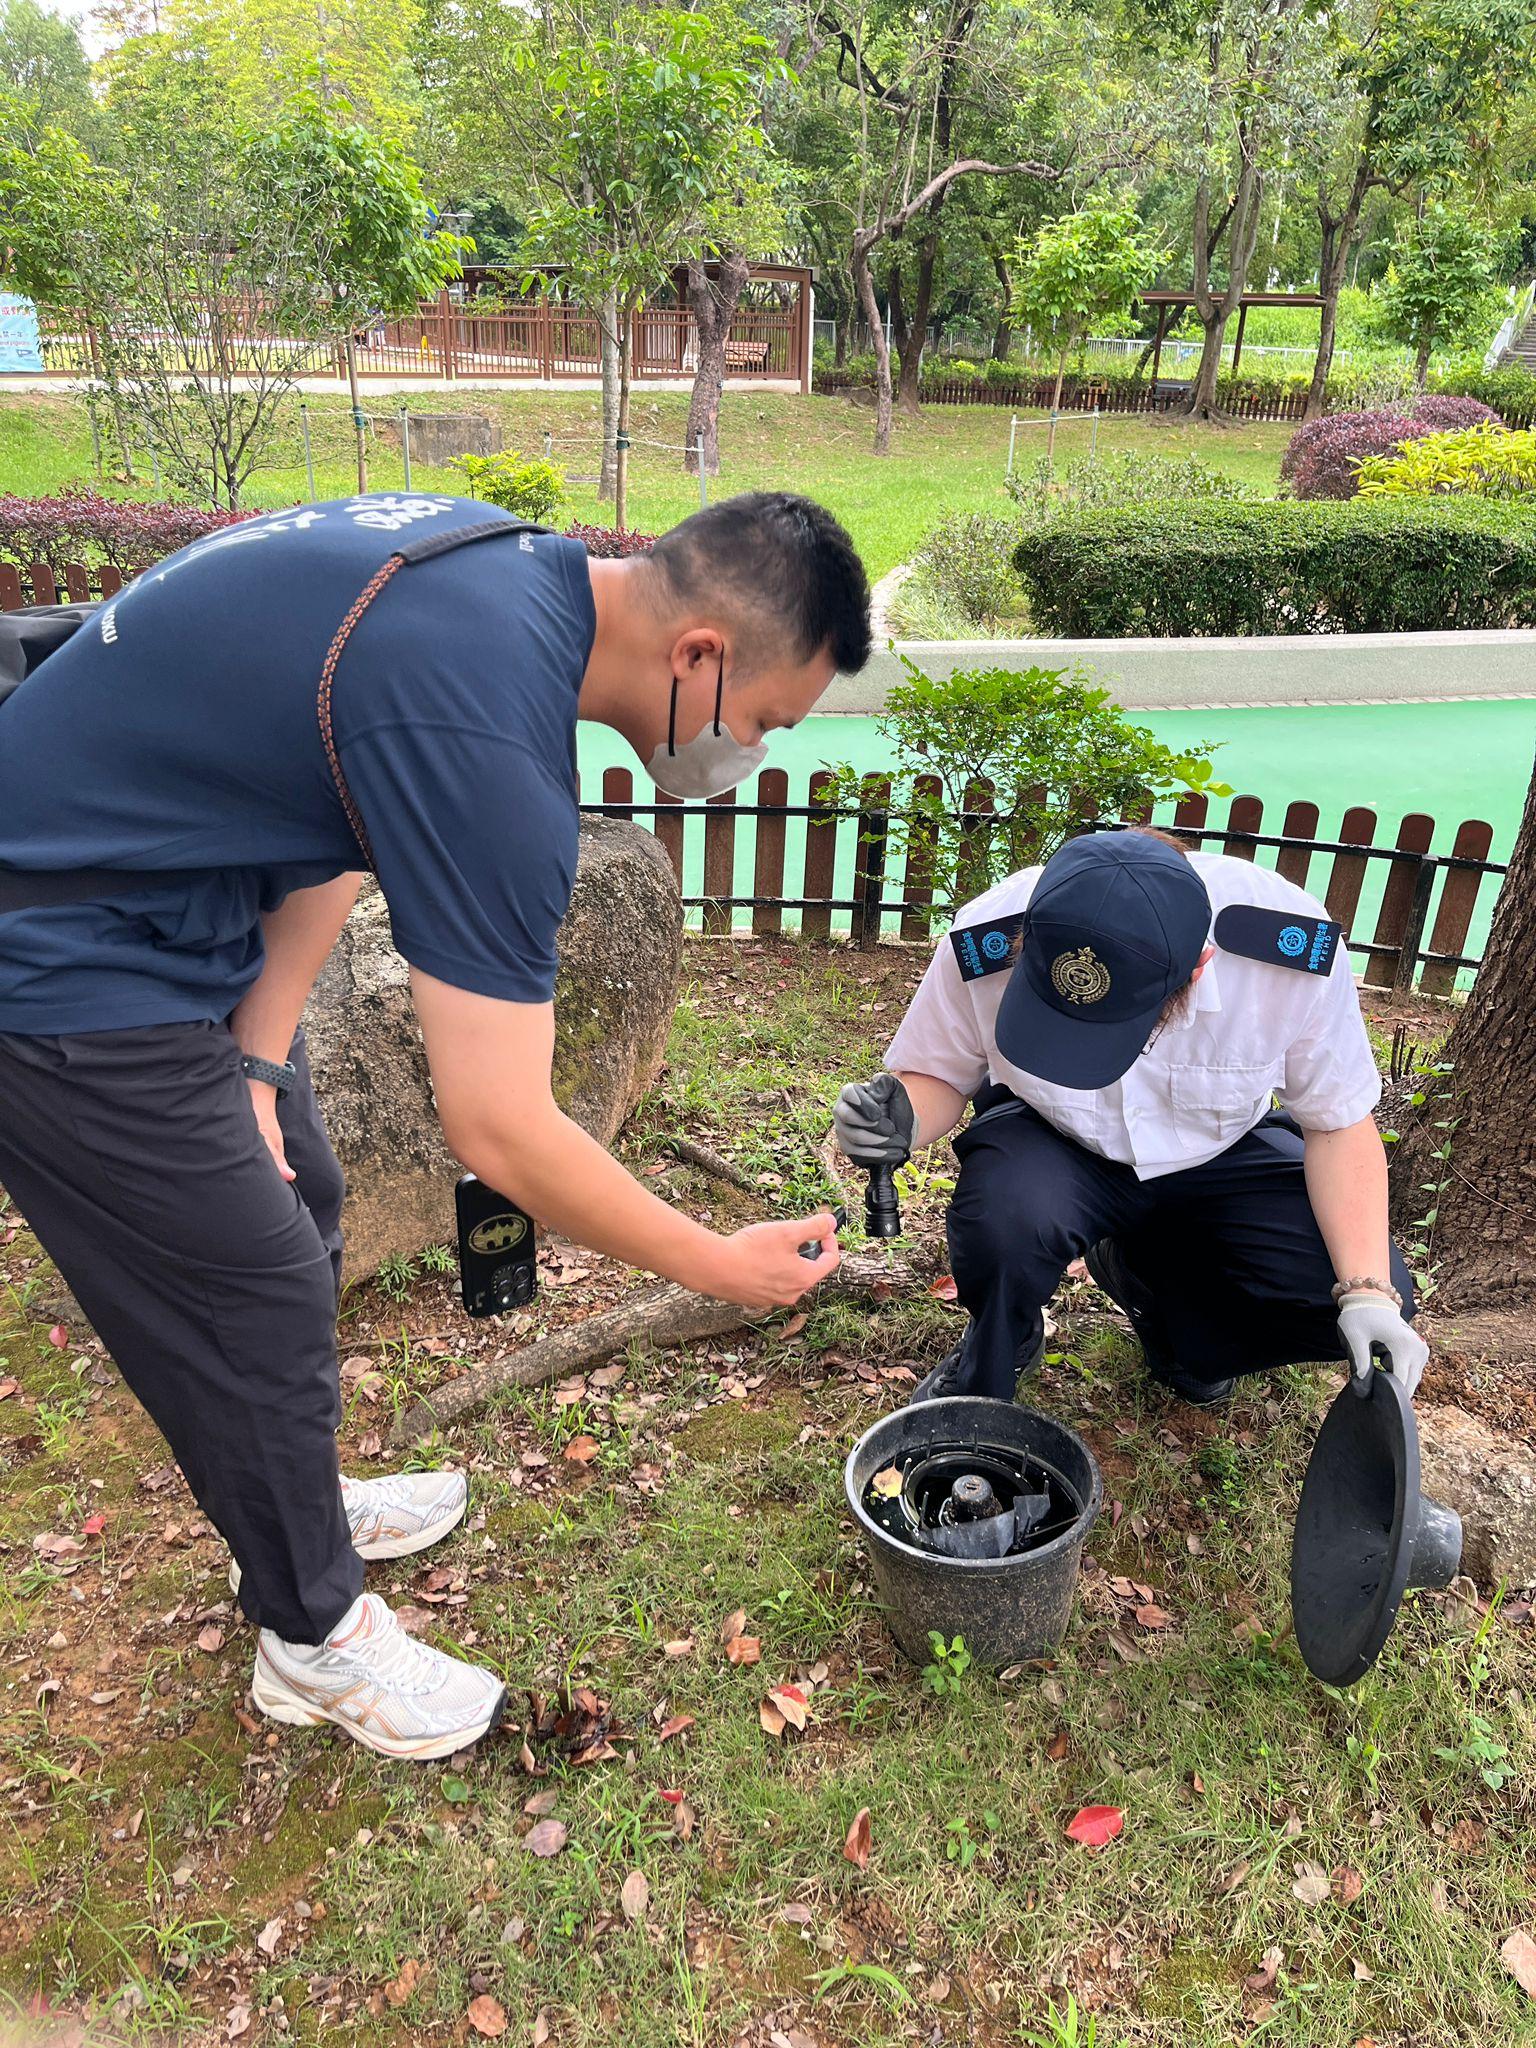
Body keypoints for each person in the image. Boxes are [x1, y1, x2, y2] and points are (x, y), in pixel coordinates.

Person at [0, 488, 869, 1761]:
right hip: (52, 948)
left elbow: (329, 811)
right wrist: (715, 1263)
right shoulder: (488, 740)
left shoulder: (501, 572)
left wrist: (257, 1061)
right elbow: (501, 1127)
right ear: (700, 654)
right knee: (252, 1283)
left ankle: (295, 1498)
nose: (751, 750)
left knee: (301, 1194)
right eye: (764, 722)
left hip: (158, 894)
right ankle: (312, 1634)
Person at [834, 828, 1425, 1410]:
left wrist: (1368, 1294)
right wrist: (900, 1117)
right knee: (1002, 1223)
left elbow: (1336, 1123)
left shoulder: (1288, 952)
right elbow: (939, 1075)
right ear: (1025, 939)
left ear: (1199, 967)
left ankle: (1177, 1332)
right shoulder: (988, 931)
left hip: (1220, 1152)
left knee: (1349, 1294)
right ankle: (1005, 1342)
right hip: (1054, 1138)